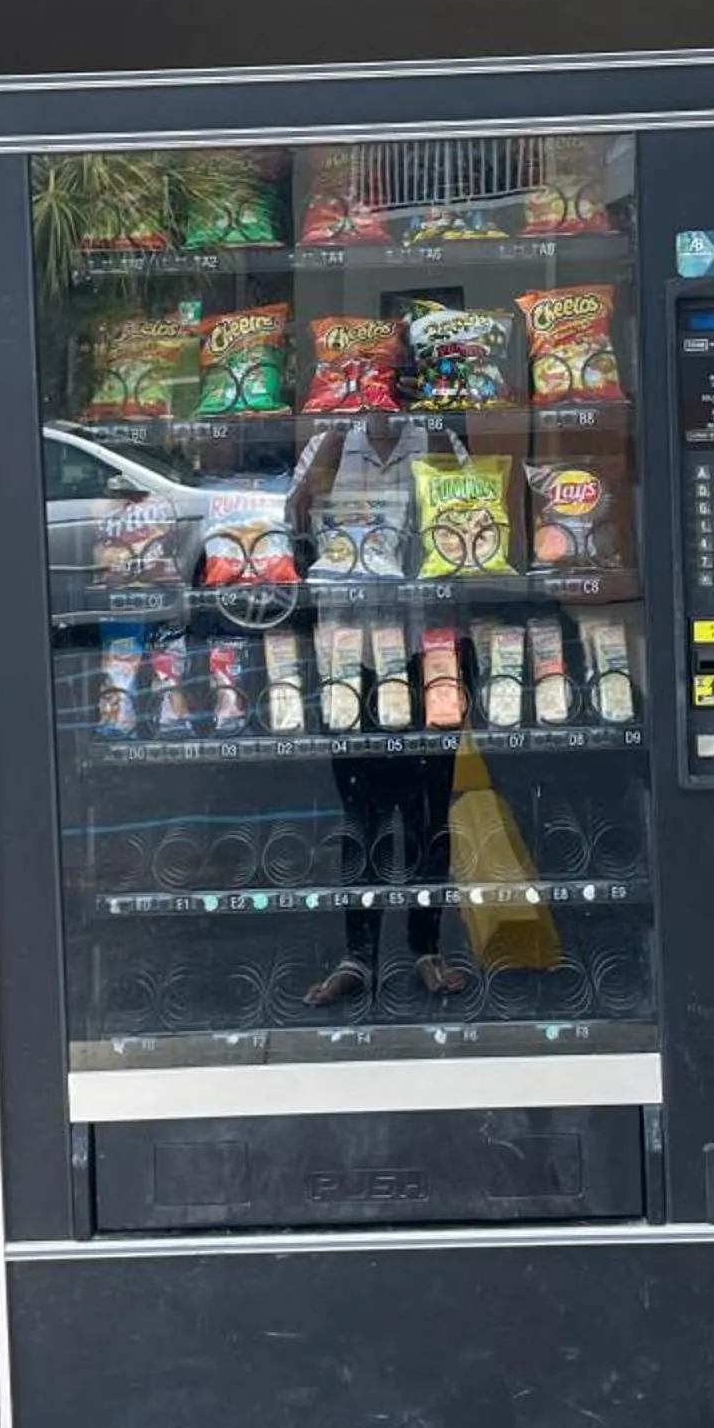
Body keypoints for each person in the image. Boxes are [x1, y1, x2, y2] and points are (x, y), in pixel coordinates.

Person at [288, 408, 472, 1006]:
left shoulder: (438, 439)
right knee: (360, 811)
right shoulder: (330, 440)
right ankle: (356, 958)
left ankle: (427, 949)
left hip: (429, 648)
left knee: (428, 809)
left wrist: (442, 426)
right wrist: (336, 435)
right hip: (350, 653)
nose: (383, 400)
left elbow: (470, 521)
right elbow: (293, 523)